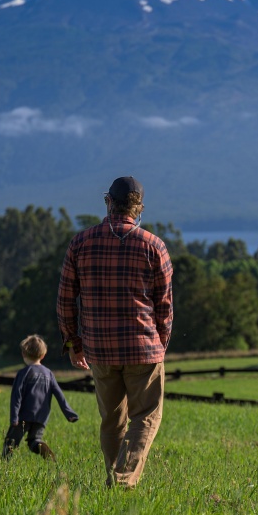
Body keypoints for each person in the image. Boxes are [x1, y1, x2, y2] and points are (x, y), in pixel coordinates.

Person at [56, 176, 173, 488]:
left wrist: (73, 342)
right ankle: (122, 481)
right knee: (146, 417)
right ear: (139, 209)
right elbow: (164, 306)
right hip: (143, 348)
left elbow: (66, 298)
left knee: (112, 420)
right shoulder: (153, 246)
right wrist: (160, 343)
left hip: (100, 350)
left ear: (108, 201)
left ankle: (114, 478)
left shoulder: (80, 243)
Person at [2, 334, 79, 462]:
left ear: (23, 354)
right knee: (34, 441)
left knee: (11, 441)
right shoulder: (48, 373)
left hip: (23, 416)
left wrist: (14, 417)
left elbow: (16, 395)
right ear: (43, 355)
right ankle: (45, 451)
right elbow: (59, 394)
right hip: (41, 417)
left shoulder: (23, 373)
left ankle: (3, 465)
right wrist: (69, 413)